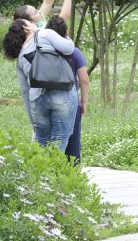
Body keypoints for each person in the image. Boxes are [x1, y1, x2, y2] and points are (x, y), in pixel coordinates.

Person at [2, 19, 78, 151]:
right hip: (62, 92)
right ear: (26, 28)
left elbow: (25, 91)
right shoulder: (44, 33)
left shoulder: (20, 57)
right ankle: (54, 171)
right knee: (60, 137)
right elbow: (69, 49)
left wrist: (33, 120)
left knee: (41, 139)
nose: (34, 24)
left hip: (37, 100)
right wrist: (65, 35)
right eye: (30, 22)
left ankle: (40, 170)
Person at [46, 16, 89, 165]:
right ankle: (72, 175)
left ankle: (48, 169)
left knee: (49, 137)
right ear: (66, 31)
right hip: (70, 102)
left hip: (47, 100)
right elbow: (84, 79)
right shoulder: (74, 51)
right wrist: (84, 101)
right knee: (72, 138)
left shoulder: (44, 52)